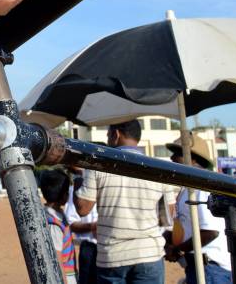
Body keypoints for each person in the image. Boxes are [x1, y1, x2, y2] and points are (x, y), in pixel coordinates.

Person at [74, 120, 176, 284]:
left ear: (116, 135)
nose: (107, 139)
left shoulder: (98, 165)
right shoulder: (160, 168)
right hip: (149, 254)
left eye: (108, 135)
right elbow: (167, 218)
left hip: (112, 257)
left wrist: (78, 177)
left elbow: (83, 209)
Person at [164, 134, 231, 284]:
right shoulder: (190, 186)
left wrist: (178, 250)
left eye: (177, 154)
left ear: (192, 158)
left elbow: (210, 232)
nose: (172, 158)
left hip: (210, 270)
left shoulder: (200, 186)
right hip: (200, 268)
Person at [40, 168, 78, 284]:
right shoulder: (53, 223)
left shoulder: (58, 214)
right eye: (67, 192)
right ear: (63, 195)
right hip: (65, 276)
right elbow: (56, 258)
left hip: (70, 273)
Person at [66, 166, 98, 284]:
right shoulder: (75, 191)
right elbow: (72, 224)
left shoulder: (111, 185)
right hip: (89, 250)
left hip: (113, 248)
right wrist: (92, 226)